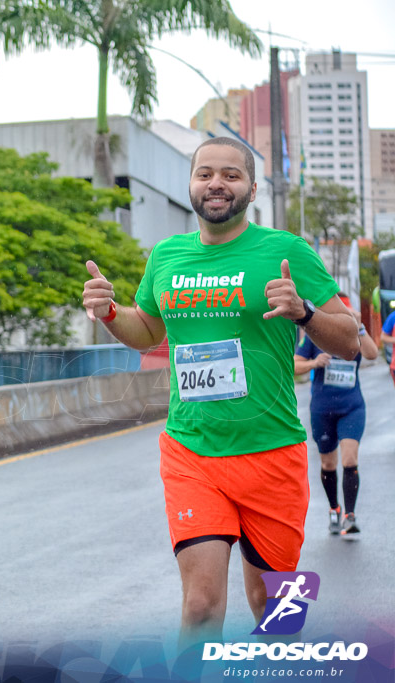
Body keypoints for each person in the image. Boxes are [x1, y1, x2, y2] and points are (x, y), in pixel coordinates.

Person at [82, 137, 359, 645]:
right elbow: (149, 331)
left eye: (231, 175)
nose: (216, 183)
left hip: (273, 453)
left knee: (276, 609)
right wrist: (110, 314)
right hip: (192, 451)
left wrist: (305, 312)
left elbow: (349, 339)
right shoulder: (167, 256)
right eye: (205, 173)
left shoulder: (286, 251)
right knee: (201, 605)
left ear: (251, 189)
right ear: (190, 184)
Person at [296, 294, 378, 537]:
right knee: (327, 464)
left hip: (352, 406)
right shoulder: (315, 335)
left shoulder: (354, 336)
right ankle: (334, 508)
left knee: (349, 460)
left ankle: (350, 516)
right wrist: (314, 363)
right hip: (322, 408)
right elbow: (295, 364)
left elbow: (373, 354)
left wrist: (360, 327)